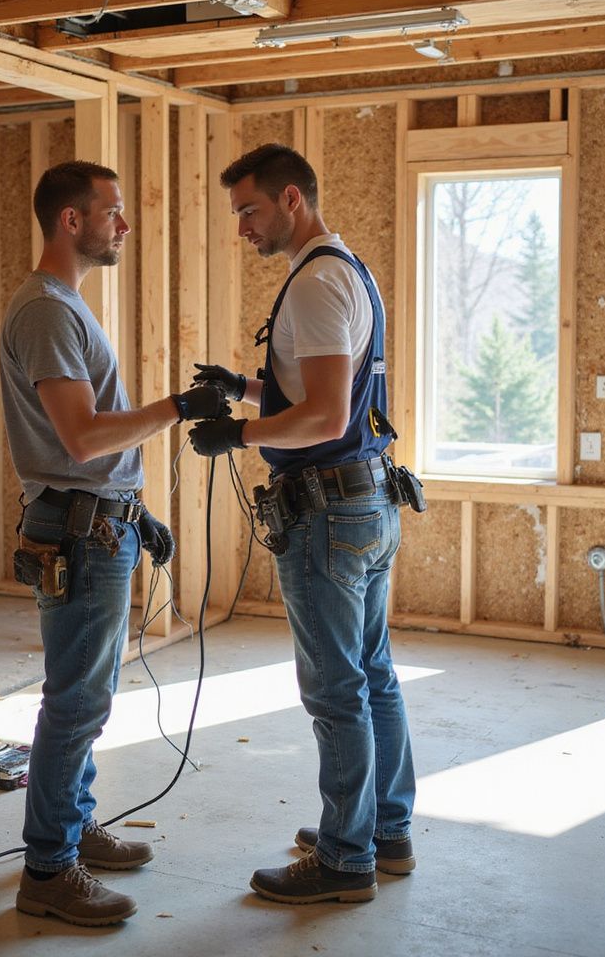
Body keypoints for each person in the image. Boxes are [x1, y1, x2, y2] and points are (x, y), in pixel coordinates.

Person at [189, 143, 417, 905]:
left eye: (249, 210)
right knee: (371, 674)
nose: (242, 228)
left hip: (328, 511)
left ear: (292, 199)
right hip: (368, 498)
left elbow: (320, 415)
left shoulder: (316, 283)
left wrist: (238, 434)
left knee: (335, 689)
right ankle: (383, 830)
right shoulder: (345, 270)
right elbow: (328, 399)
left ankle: (347, 859)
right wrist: (247, 389)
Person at [0, 160, 225, 927]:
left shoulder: (65, 307)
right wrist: (177, 406)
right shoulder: (47, 312)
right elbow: (83, 437)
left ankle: (74, 825)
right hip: (79, 528)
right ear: (72, 220)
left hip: (99, 519)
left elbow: (88, 451)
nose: (123, 225)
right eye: (113, 212)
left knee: (87, 700)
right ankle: (49, 870)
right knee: (75, 704)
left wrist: (134, 507)